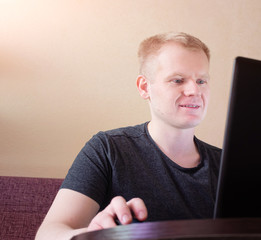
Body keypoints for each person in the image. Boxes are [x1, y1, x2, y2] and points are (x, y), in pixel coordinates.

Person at [35, 32, 222, 240]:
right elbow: (47, 235)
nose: (194, 90)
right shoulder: (107, 149)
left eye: (202, 81)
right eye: (178, 80)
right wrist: (92, 235)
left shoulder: (227, 165)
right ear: (144, 87)